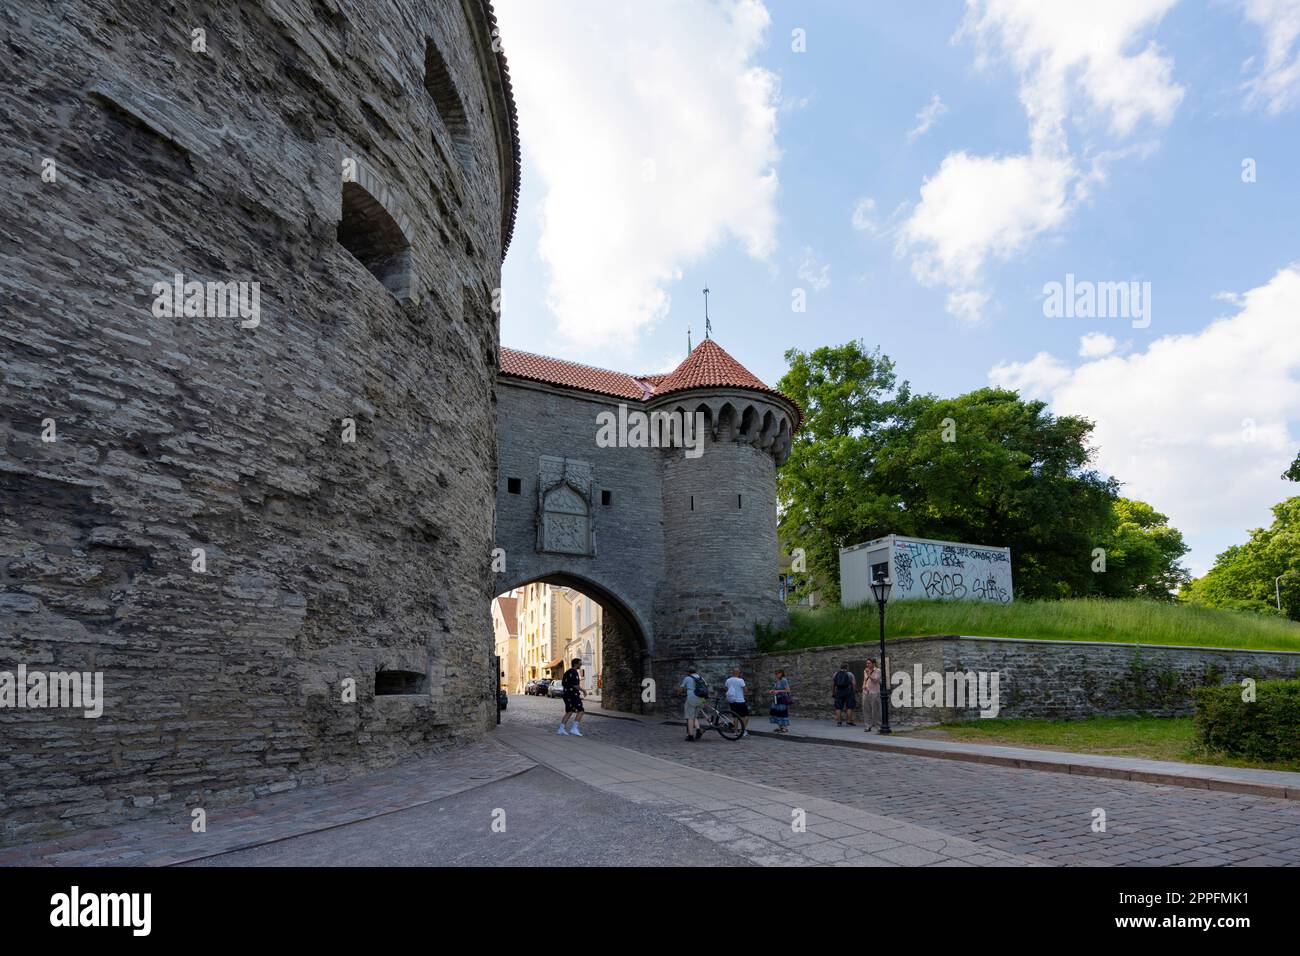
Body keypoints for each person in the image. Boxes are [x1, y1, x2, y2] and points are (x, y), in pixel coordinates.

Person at [677, 664, 707, 742]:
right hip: (702, 699)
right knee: (694, 716)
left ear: (688, 672)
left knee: (690, 717)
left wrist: (679, 694)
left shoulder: (687, 678)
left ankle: (690, 736)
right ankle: (698, 729)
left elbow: (681, 689)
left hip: (692, 698)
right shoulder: (701, 678)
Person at [557, 657, 585, 736]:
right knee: (581, 710)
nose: (581, 664)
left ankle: (561, 729)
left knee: (569, 711)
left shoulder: (567, 672)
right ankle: (574, 728)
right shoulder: (574, 672)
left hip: (566, 694)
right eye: (580, 663)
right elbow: (576, 686)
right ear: (576, 664)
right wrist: (584, 690)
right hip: (573, 694)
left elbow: (564, 683)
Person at [724, 667, 749, 738]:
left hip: (732, 701)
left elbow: (727, 688)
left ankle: (735, 732)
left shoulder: (728, 680)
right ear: (738, 673)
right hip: (740, 700)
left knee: (735, 717)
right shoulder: (740, 680)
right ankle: (743, 731)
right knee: (745, 716)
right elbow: (746, 690)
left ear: (732, 673)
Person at [832, 662, 857, 727]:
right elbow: (854, 684)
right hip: (848, 691)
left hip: (839, 691)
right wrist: (853, 691)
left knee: (838, 707)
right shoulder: (850, 674)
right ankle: (849, 721)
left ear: (841, 667)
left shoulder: (835, 674)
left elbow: (834, 684)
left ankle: (839, 722)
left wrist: (833, 692)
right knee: (849, 706)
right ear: (847, 667)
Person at [862, 658, 882, 732]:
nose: (867, 665)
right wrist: (863, 685)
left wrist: (869, 674)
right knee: (866, 710)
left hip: (874, 692)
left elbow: (875, 680)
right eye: (867, 663)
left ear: (873, 664)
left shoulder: (878, 671)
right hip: (866, 692)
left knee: (875, 710)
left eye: (869, 663)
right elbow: (864, 679)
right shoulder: (865, 670)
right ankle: (868, 726)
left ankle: (878, 726)